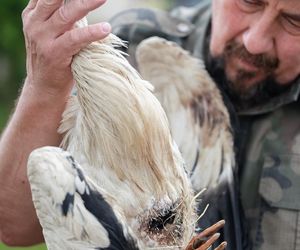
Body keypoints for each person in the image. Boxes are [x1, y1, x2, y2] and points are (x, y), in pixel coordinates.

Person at [0, 0, 300, 249]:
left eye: (293, 21)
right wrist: (45, 87)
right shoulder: (137, 44)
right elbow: (14, 228)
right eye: (249, 1)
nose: (255, 41)